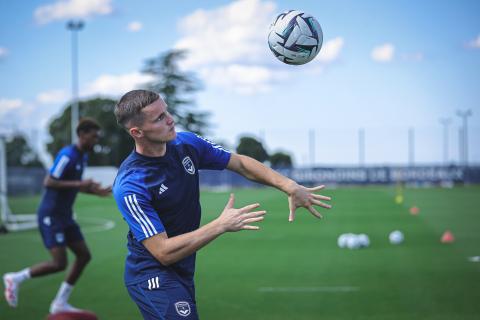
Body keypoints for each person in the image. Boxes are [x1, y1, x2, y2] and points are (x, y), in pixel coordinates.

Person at [112, 90, 332, 320]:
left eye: (166, 111)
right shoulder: (131, 185)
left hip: (183, 267)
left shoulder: (187, 143)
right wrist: (220, 225)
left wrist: (288, 185)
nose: (170, 119)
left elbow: (239, 163)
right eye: (159, 118)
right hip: (152, 274)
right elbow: (163, 252)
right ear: (137, 132)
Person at [3, 118, 111, 314]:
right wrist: (80, 184)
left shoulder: (82, 157)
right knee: (59, 263)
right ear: (82, 135)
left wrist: (96, 191)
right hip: (51, 215)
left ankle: (60, 302)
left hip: (65, 216)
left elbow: (72, 184)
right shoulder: (67, 155)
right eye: (93, 137)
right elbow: (50, 181)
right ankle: (15, 278)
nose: (96, 141)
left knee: (84, 255)